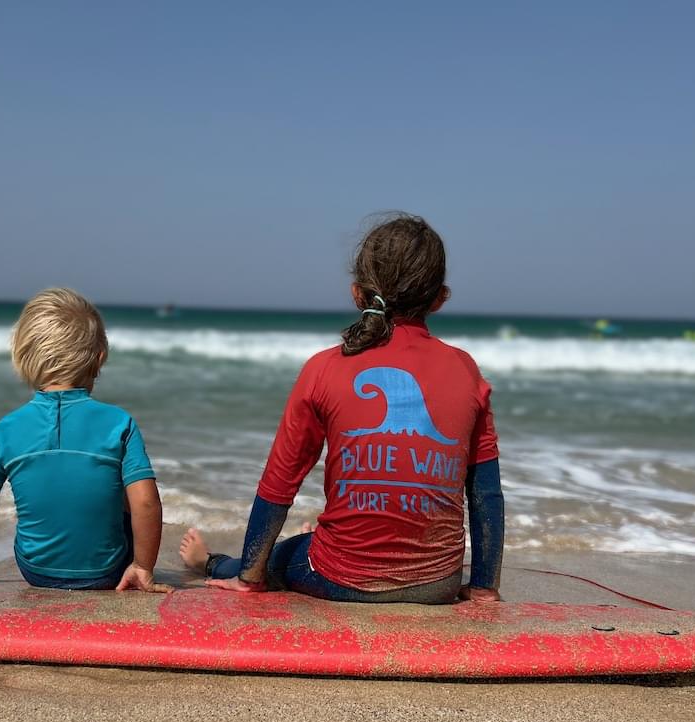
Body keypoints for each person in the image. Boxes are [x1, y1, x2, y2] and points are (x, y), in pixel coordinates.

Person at [180, 214, 504, 603]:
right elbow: (486, 493)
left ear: (357, 293)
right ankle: (316, 538)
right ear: (440, 298)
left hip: (341, 578)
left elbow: (280, 483)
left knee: (283, 557)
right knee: (308, 542)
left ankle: (211, 562)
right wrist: (483, 587)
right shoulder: (466, 370)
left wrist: (249, 579)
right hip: (438, 585)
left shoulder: (324, 368)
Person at [0, 288, 167, 592]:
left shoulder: (1, 432)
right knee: (124, 488)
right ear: (100, 357)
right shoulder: (120, 423)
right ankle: (135, 568)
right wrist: (143, 566)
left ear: (23, 356)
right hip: (107, 573)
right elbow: (147, 502)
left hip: (36, 572)